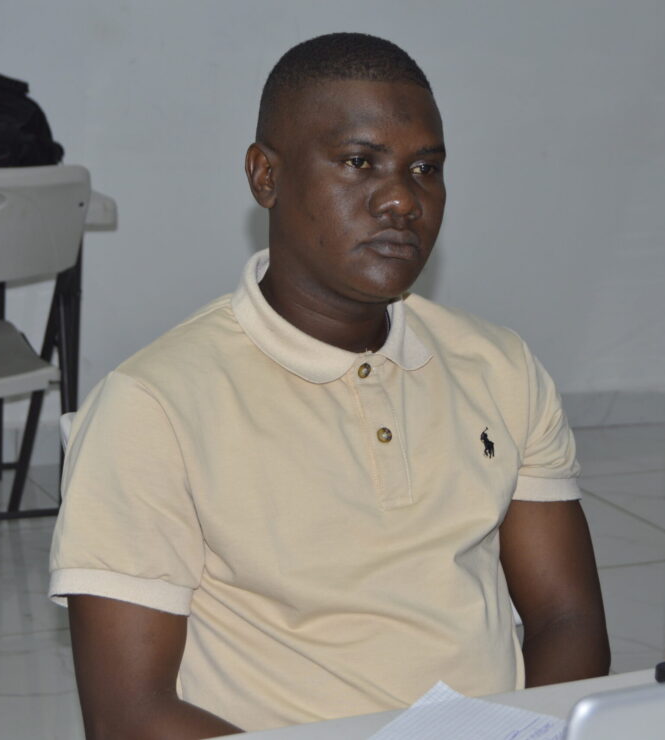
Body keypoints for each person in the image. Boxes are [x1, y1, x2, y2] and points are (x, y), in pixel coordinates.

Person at [49, 32, 610, 739]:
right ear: (265, 176)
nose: (402, 200)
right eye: (358, 162)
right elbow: (127, 717)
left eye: (425, 168)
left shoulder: (500, 367)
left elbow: (567, 619)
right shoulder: (152, 407)